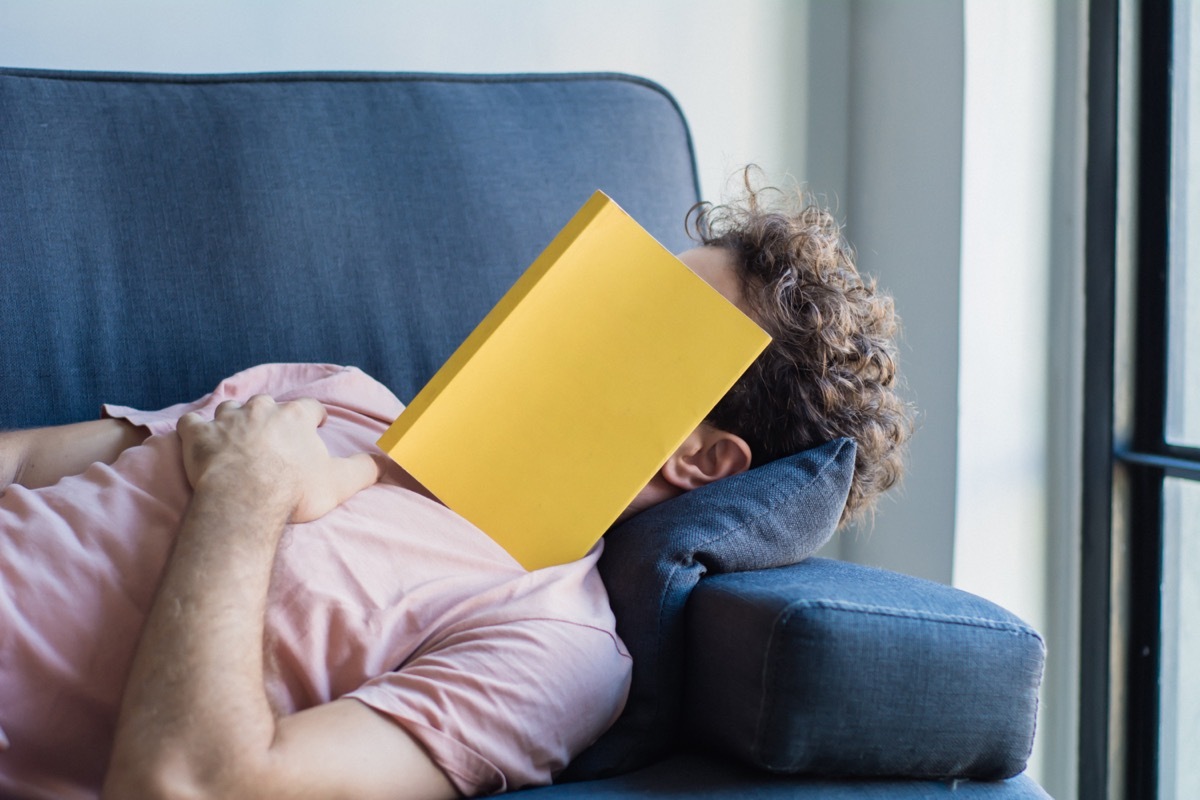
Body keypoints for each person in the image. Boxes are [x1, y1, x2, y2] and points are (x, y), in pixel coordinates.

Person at [0, 183, 912, 800]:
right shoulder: (337, 395)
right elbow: (28, 462)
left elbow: (191, 786)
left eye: (644, 320)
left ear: (702, 461)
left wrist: (244, 496)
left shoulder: (556, 646)